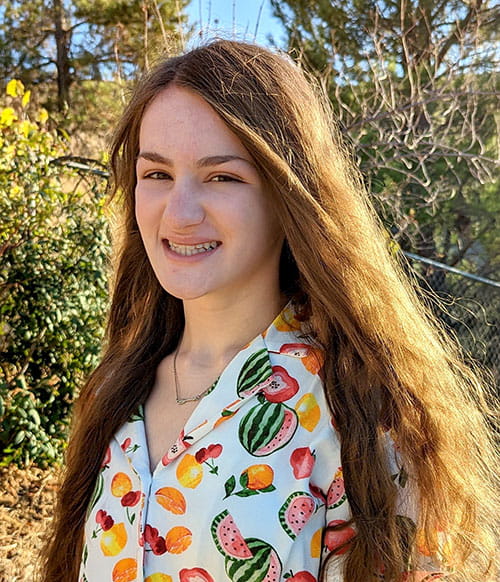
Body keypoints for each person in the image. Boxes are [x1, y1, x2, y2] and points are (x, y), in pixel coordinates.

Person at [42, 40, 498, 582]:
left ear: (290, 196)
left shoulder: (358, 409)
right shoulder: (115, 389)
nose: (179, 212)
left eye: (223, 177)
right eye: (156, 174)